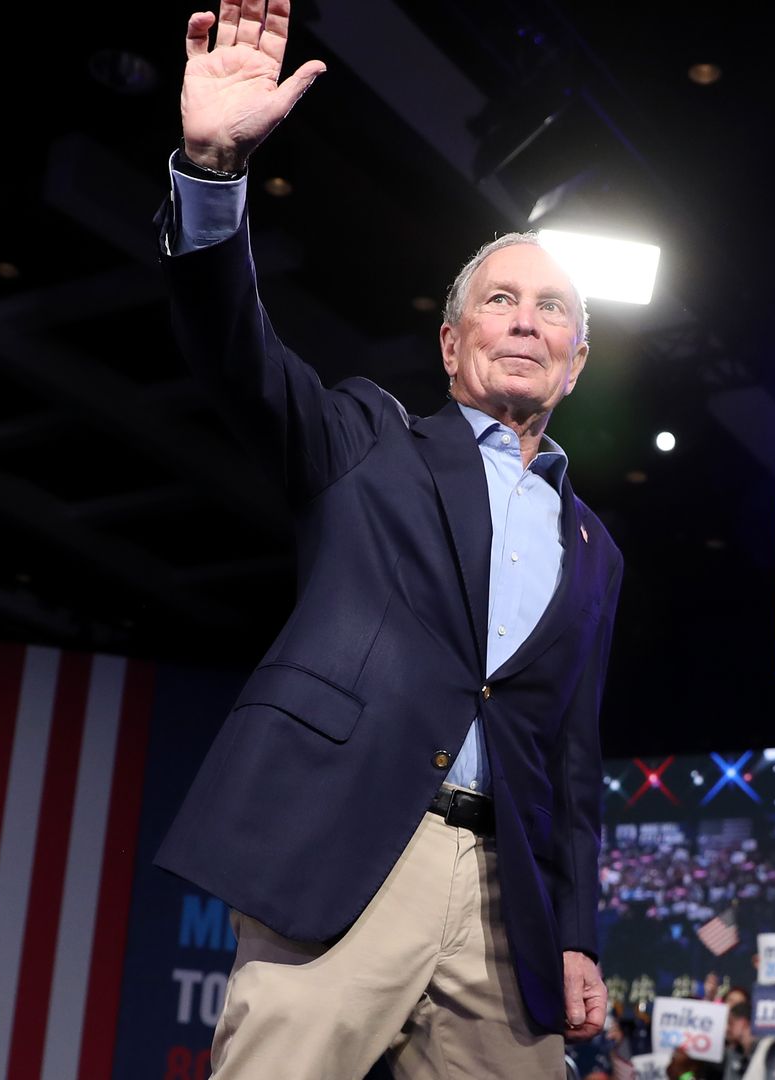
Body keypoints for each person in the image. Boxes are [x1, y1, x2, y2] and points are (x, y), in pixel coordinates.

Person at [149, 4, 625, 1077]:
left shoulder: (595, 545)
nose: (524, 320)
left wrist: (581, 929)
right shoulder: (367, 438)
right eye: (498, 300)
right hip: (353, 846)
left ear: (577, 361)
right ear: (452, 343)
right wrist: (213, 173)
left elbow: (573, 757)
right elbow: (238, 357)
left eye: (551, 310)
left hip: (513, 903)